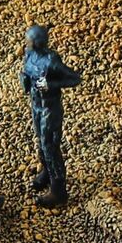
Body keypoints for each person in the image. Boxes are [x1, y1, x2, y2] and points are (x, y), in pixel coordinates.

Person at [21, 24, 81, 208]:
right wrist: (24, 79)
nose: (27, 43)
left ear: (38, 42)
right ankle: (47, 172)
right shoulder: (29, 54)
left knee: (50, 146)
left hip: (50, 108)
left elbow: (74, 78)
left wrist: (50, 85)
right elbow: (26, 72)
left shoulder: (51, 60)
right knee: (41, 141)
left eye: (30, 41)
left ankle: (58, 190)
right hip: (36, 105)